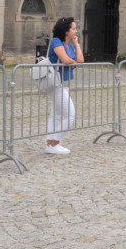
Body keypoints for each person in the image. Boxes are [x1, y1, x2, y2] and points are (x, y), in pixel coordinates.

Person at [45, 16, 84, 155]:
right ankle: (55, 142)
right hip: (56, 83)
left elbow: (80, 59)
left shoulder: (68, 45)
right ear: (66, 30)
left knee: (55, 114)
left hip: (64, 83)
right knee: (70, 115)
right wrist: (73, 61)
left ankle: (50, 143)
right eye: (73, 29)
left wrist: (76, 44)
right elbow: (66, 60)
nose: (75, 31)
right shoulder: (56, 42)